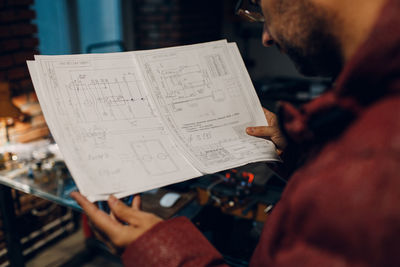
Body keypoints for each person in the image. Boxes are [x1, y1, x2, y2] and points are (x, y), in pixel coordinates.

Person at [71, 0, 400, 265]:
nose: (266, 38)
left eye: (258, 4)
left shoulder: (375, 166)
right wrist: (299, 155)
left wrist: (157, 250)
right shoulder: (375, 105)